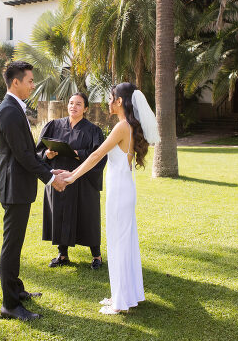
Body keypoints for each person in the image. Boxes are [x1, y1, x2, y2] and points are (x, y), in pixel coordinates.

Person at [60, 82, 159, 314]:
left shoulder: (122, 127)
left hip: (120, 192)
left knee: (118, 244)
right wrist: (72, 173)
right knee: (124, 243)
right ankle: (124, 295)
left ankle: (120, 302)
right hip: (123, 189)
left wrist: (73, 176)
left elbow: (96, 155)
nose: (108, 101)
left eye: (111, 97)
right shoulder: (128, 126)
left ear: (120, 102)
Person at [0, 61, 69, 321]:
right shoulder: (9, 112)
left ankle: (16, 290)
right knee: (11, 247)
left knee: (16, 244)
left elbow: (28, 153)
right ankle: (10, 305)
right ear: (15, 82)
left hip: (19, 187)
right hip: (15, 189)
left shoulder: (15, 108)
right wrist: (50, 179)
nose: (33, 85)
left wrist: (45, 159)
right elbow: (23, 156)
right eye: (29, 81)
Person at [37, 92, 106, 269]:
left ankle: (96, 256)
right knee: (60, 213)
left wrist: (78, 154)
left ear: (86, 109)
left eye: (78, 104)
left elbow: (99, 156)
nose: (73, 107)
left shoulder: (93, 131)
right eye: (71, 103)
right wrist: (47, 153)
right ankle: (62, 254)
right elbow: (37, 153)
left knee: (88, 215)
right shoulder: (53, 126)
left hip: (82, 180)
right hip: (59, 178)